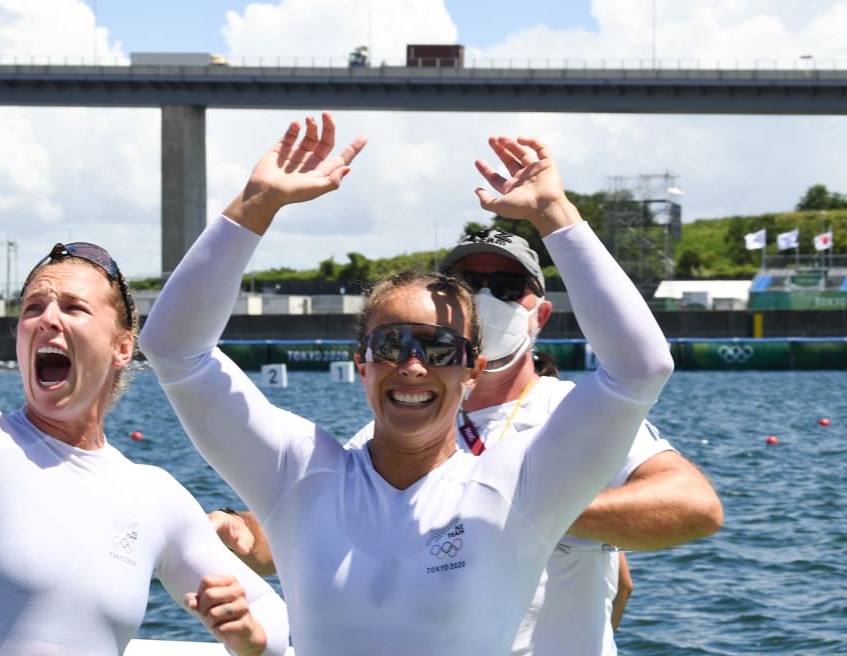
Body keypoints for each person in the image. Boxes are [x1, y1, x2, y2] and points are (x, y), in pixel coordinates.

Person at [141, 112, 674, 654]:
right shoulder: (299, 471)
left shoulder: (518, 484)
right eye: (392, 345)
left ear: (472, 371)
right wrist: (255, 205)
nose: (413, 366)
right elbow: (174, 350)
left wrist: (555, 215)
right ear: (361, 363)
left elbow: (642, 368)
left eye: (439, 349)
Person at [0, 162, 289, 655]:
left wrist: (248, 634)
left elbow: (271, 621)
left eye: (74, 308)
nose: (46, 320)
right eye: (33, 308)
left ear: (123, 347)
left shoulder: (153, 495)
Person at [210, 228, 724, 655]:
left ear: (539, 313)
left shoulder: (569, 417)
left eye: (506, 286)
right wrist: (242, 529)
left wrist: (539, 507)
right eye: (468, 282)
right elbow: (322, 524)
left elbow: (696, 507)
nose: (485, 296)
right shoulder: (395, 427)